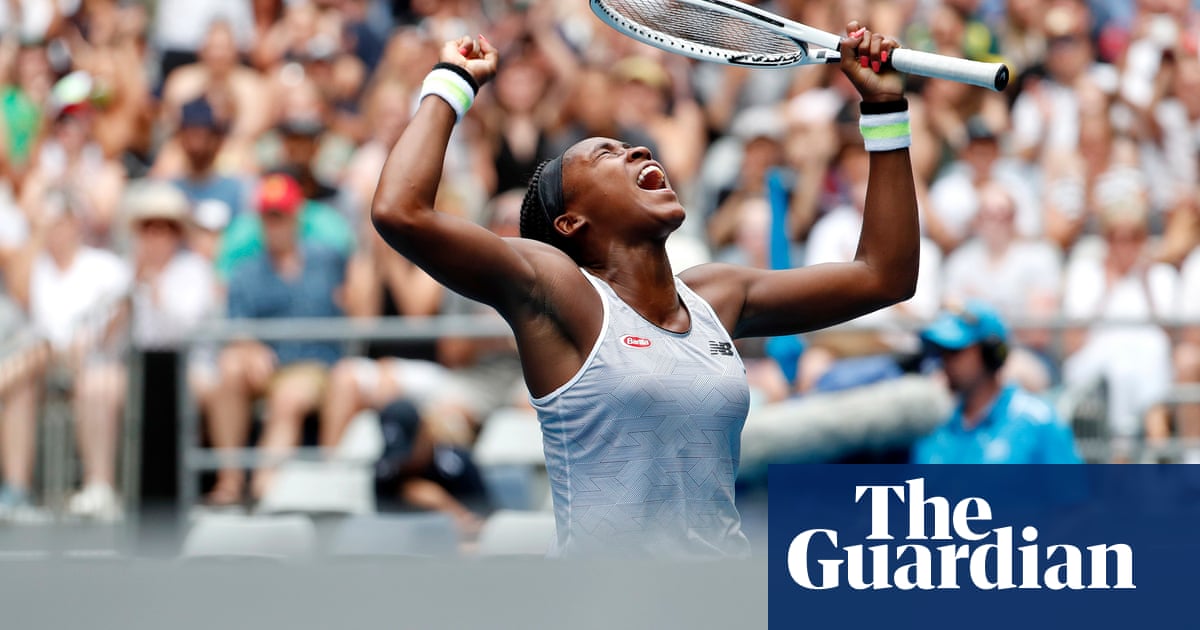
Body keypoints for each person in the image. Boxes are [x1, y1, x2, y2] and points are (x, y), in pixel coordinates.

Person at [371, 25, 919, 559]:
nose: (634, 151)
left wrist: (885, 111)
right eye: (605, 155)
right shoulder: (558, 291)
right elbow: (401, 211)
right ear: (569, 222)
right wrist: (450, 81)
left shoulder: (717, 295)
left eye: (631, 146)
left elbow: (884, 275)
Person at [205, 173, 349, 505]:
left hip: (317, 363)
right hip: (268, 363)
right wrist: (249, 347)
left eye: (280, 216)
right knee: (228, 370)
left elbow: (355, 299)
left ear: (296, 216)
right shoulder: (245, 270)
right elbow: (235, 326)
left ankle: (263, 489)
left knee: (288, 397)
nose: (275, 225)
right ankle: (229, 480)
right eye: (268, 217)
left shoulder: (328, 259)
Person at [913, 300, 1083, 464]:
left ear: (990, 354)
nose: (946, 362)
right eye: (942, 352)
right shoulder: (934, 426)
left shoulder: (1039, 422)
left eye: (955, 352)